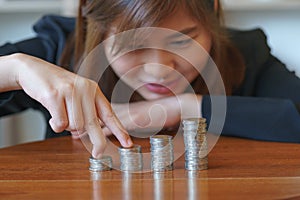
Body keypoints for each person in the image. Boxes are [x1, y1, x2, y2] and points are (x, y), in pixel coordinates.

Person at [0, 0, 300, 157]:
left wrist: (187, 107)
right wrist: (13, 70)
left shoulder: (244, 53)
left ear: (213, 17)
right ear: (98, 26)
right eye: (133, 45)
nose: (159, 70)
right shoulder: (60, 48)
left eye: (183, 42)